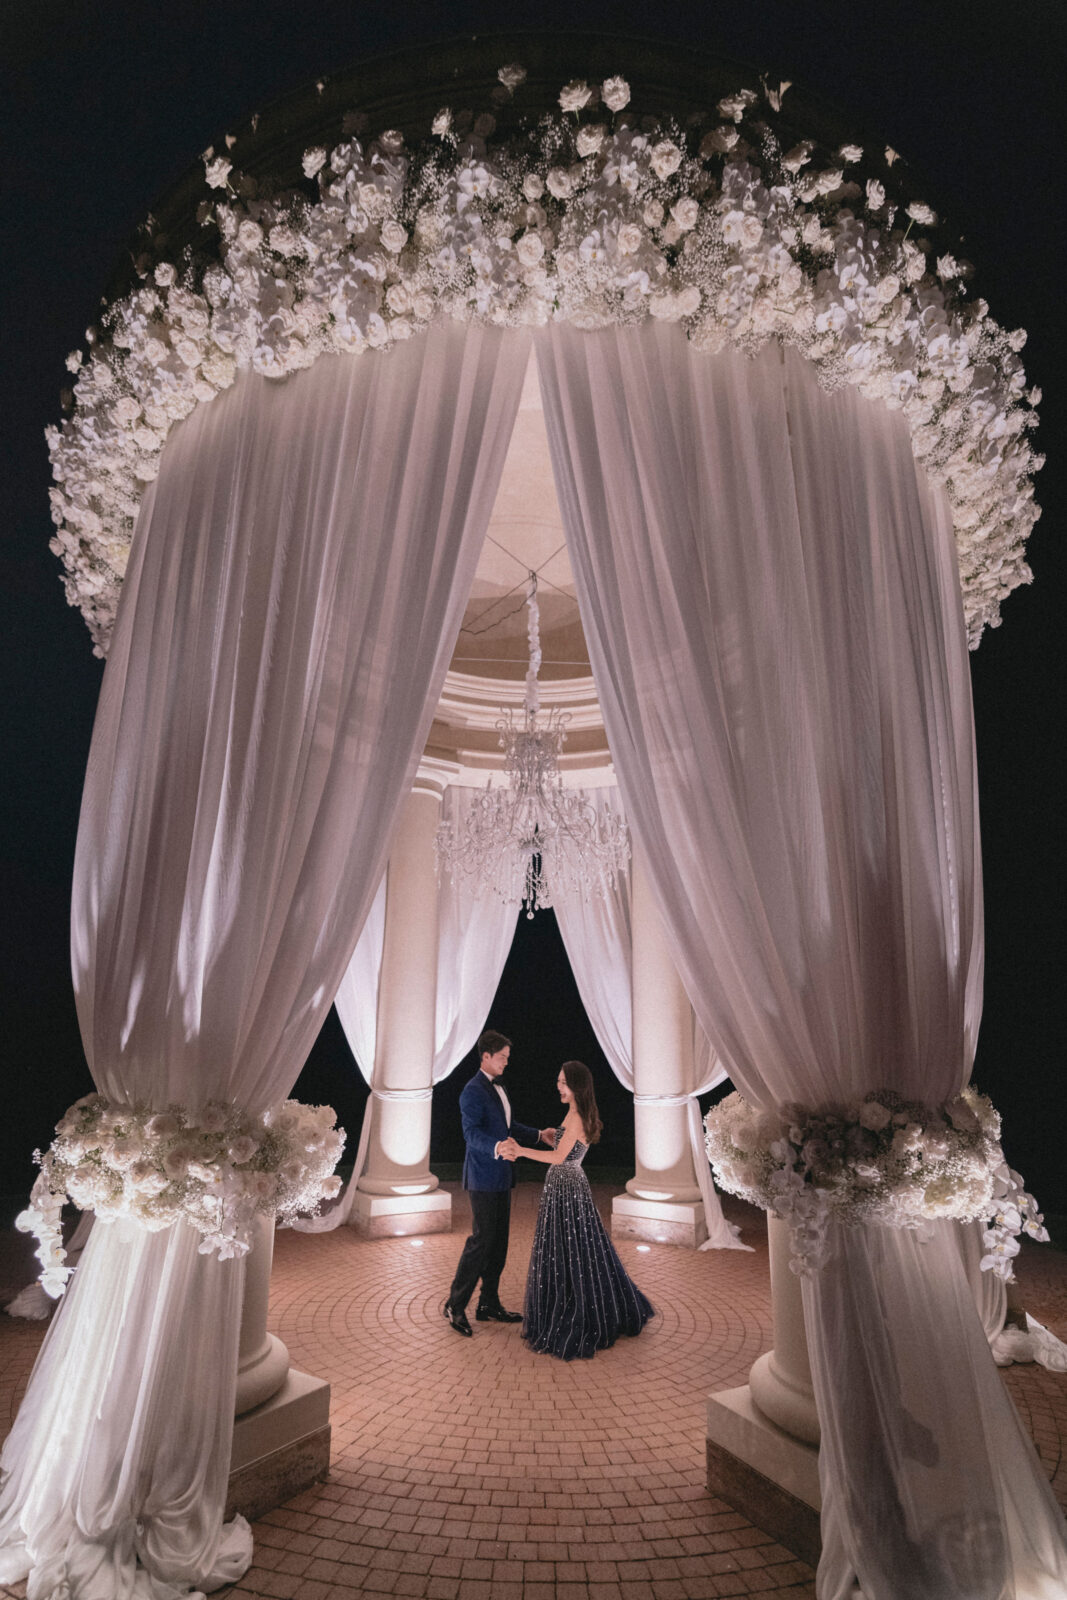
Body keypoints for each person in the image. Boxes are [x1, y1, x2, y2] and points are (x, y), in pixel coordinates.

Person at [501, 1059, 654, 1360]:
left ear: (576, 1086)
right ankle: (576, 1298)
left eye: (562, 1082)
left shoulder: (577, 1115)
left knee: (572, 1248)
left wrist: (520, 1151)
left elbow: (560, 1158)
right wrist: (548, 1134)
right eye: (558, 1081)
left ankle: (578, 1308)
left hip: (567, 1187)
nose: (558, 1086)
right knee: (577, 1248)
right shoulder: (572, 1113)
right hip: (565, 1185)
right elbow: (566, 1147)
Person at [444, 1030, 557, 1337]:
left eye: (508, 1057)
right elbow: (471, 1134)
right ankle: (455, 1306)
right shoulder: (471, 1090)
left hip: (502, 1176)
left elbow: (507, 1126)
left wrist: (537, 1135)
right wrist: (496, 1147)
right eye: (503, 1057)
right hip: (482, 1176)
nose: (507, 1062)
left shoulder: (498, 1087)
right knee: (481, 1242)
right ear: (486, 1056)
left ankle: (488, 1304)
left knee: (499, 1243)